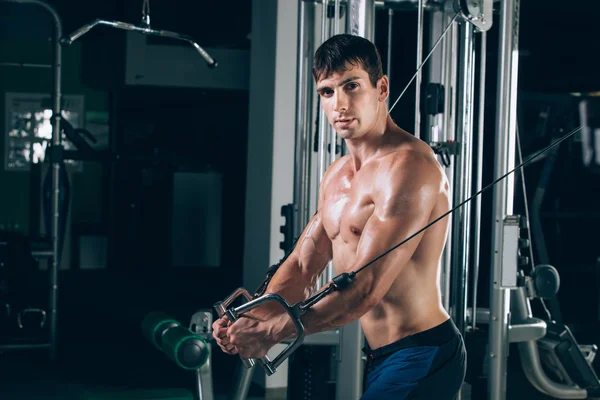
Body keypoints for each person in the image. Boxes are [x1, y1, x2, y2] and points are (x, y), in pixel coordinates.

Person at [213, 34, 466, 399]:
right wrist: (251, 319)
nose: (340, 104)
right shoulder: (337, 175)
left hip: (422, 352)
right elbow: (302, 264)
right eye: (327, 92)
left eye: (352, 86)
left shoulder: (410, 167)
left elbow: (364, 289)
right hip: (382, 355)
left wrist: (270, 333)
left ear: (381, 88)